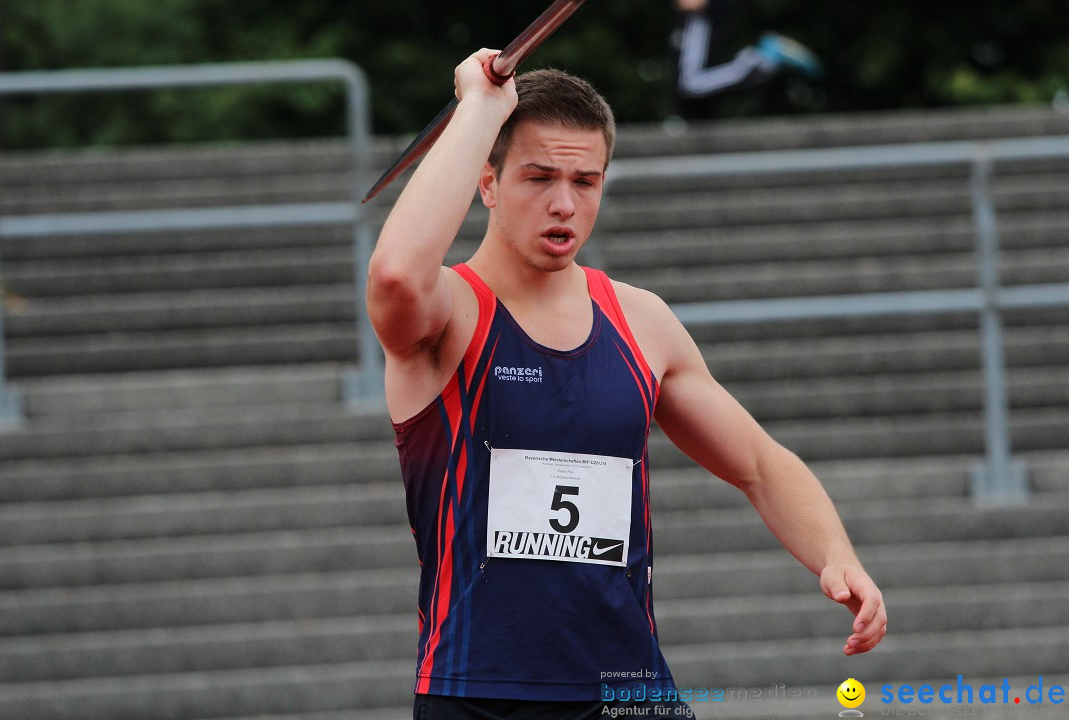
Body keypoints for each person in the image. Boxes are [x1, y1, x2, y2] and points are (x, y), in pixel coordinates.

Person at [367, 49, 886, 720]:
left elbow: (760, 464)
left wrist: (836, 555)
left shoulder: (642, 322)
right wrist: (478, 107)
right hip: (482, 693)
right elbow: (395, 278)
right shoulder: (449, 315)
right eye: (539, 177)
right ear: (486, 181)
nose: (564, 203)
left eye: (586, 181)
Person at [671, 0, 822, 120]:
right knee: (693, 90)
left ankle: (760, 60)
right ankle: (762, 63)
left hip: (702, 18)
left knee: (690, 83)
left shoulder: (699, 19)